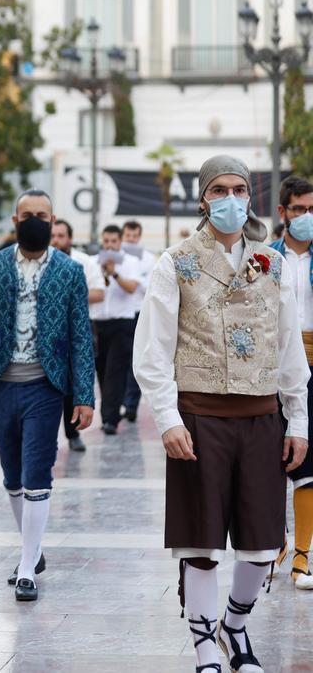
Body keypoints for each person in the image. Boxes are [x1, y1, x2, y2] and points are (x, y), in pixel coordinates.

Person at [134, 155, 309, 673]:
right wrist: (167, 418)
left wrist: (297, 419)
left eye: (238, 189)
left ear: (250, 196)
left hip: (261, 418)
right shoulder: (177, 261)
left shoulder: (271, 263)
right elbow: (153, 349)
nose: (230, 199)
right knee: (202, 541)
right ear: (203, 199)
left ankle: (235, 624)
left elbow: (288, 350)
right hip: (199, 417)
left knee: (261, 544)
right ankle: (206, 644)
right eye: (219, 190)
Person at [0, 189, 95, 602]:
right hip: (2, 383)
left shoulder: (70, 271)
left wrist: (85, 395)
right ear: (15, 220)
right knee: (12, 477)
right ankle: (34, 549)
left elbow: (82, 335)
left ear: (53, 221)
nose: (35, 220)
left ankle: (27, 566)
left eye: (42, 215)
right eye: (27, 214)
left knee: (37, 473)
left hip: (46, 387)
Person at [268, 175, 313, 590]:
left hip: (312, 367)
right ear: (283, 213)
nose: (306, 217)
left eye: (312, 209)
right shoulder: (265, 259)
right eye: (299, 209)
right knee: (268, 462)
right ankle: (271, 547)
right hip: (271, 368)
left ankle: (301, 556)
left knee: (308, 466)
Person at [50, 220, 105, 451]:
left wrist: (68, 296)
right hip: (50, 331)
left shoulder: (83, 262)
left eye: (61, 235)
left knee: (74, 384)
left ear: (69, 238)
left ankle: (73, 434)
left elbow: (99, 293)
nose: (56, 240)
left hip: (78, 329)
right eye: (53, 235)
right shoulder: (42, 262)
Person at [91, 225, 143, 435]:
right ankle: (110, 410)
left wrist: (114, 273)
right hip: (99, 323)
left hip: (122, 324)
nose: (110, 245)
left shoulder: (131, 262)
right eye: (106, 241)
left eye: (114, 241)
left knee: (115, 371)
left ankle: (110, 419)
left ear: (120, 242)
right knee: (102, 372)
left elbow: (131, 288)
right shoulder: (94, 262)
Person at [120, 220, 156, 424]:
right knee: (119, 361)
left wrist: (133, 281)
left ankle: (131, 404)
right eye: (128, 236)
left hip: (139, 314)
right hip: (121, 314)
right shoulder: (116, 259)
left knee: (136, 361)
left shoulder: (149, 259)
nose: (131, 240)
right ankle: (118, 403)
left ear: (139, 237)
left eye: (134, 236)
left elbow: (147, 286)